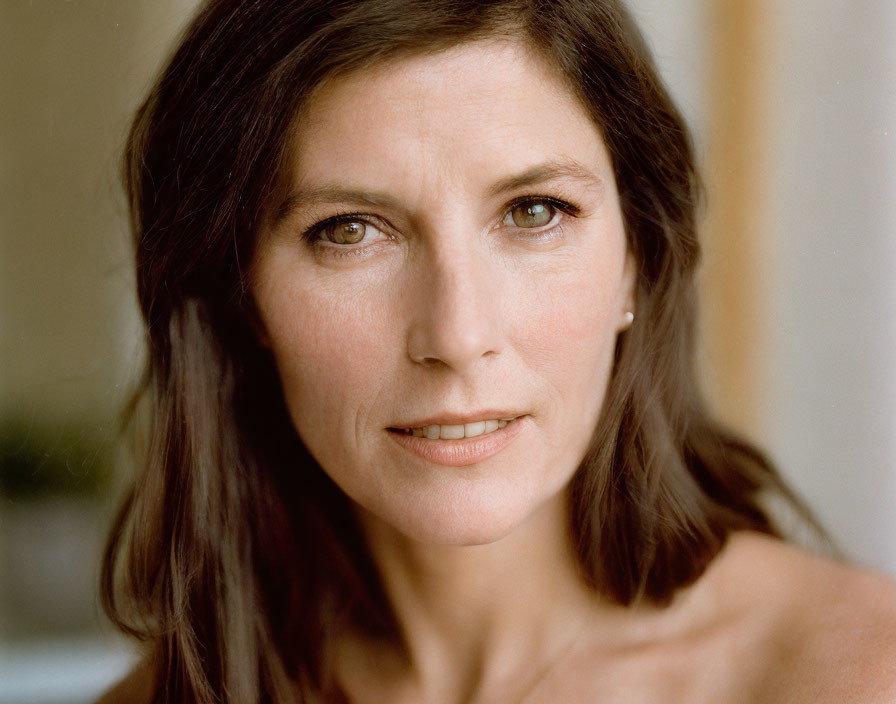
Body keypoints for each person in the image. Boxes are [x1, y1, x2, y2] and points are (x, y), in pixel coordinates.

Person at [97, 1, 896, 702]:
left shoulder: (858, 676)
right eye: (349, 230)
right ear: (243, 295)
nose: (457, 334)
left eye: (535, 211)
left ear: (635, 261)